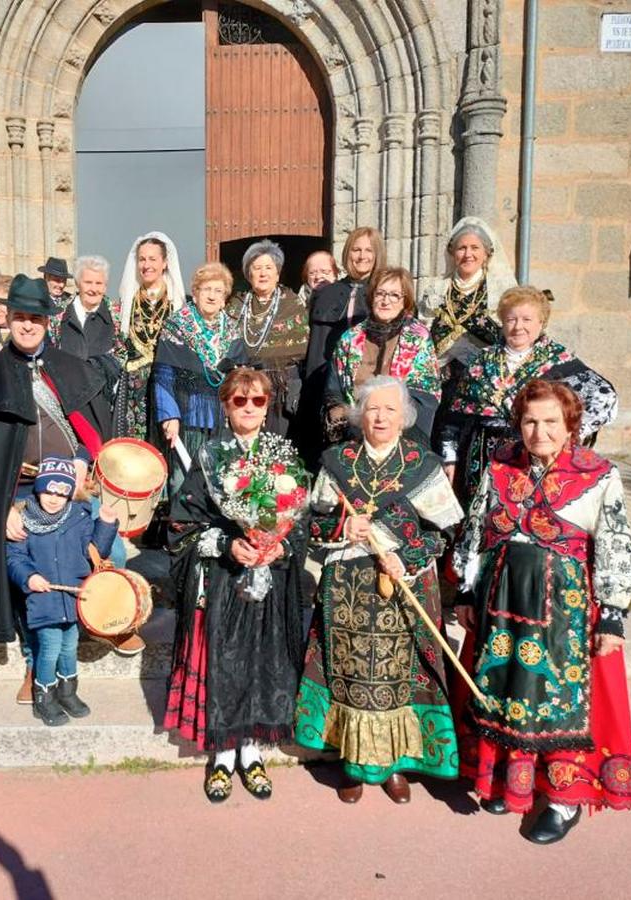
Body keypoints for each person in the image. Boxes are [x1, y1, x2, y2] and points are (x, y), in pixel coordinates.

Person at [452, 380, 631, 843]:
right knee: (505, 689)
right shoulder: (500, 467)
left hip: (565, 611)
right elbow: (476, 530)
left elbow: (615, 543)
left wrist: (614, 612)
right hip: (501, 602)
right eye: (530, 420)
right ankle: (506, 783)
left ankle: (563, 797)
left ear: (571, 424)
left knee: (556, 702)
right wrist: (465, 590)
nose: (539, 431)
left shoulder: (597, 473)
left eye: (551, 421)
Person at [0, 275, 132, 705]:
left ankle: (113, 620)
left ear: (46, 321)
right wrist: (3, 508)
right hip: (18, 491)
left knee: (117, 552)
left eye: (35, 317)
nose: (27, 325)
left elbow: (92, 428)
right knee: (28, 569)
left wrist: (80, 463)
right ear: (8, 320)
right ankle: (36, 662)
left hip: (72, 488)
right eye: (20, 317)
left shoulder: (68, 366)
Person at [295, 376, 463, 805]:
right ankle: (353, 763)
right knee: (351, 674)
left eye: (390, 409)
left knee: (395, 675)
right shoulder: (337, 461)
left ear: (405, 417)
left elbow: (444, 531)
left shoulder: (421, 464)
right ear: (359, 415)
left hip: (402, 585)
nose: (381, 417)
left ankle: (392, 765)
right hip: (347, 588)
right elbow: (312, 524)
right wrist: (341, 526)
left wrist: (405, 556)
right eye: (372, 409)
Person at [164, 368, 307, 802]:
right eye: (239, 401)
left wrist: (281, 547)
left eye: (257, 401)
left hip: (270, 581)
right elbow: (179, 526)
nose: (248, 408)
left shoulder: (285, 458)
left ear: (268, 407)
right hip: (224, 584)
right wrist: (229, 544)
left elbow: (302, 521)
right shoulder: (210, 457)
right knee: (227, 664)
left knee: (263, 661)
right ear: (225, 407)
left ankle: (251, 752)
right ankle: (223, 756)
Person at [439, 285, 618, 504]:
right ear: (502, 322)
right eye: (511, 319)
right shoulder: (482, 360)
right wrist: (450, 458)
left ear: (541, 323)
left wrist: (568, 433)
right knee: (484, 519)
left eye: (527, 320)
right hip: (481, 457)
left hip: (533, 453)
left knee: (529, 516)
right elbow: (455, 415)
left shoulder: (557, 359)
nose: (518, 327)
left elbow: (605, 397)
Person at [6, 457, 120, 726]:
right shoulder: (24, 518)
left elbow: (95, 553)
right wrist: (29, 577)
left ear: (70, 494)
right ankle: (44, 696)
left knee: (69, 647)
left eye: (61, 493)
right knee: (49, 648)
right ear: (38, 489)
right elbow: (14, 558)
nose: (54, 498)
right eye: (49, 491)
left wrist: (105, 524)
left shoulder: (78, 517)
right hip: (42, 599)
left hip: (72, 597)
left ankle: (68, 693)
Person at [152, 262, 247, 493]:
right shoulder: (177, 326)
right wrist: (169, 417)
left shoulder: (233, 330)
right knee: (183, 481)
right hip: (187, 417)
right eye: (206, 289)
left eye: (218, 291)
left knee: (223, 479)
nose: (212, 296)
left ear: (225, 298)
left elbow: (241, 375)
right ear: (195, 293)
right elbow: (163, 375)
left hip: (223, 419)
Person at [325, 266, 441, 445]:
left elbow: (424, 395)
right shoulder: (350, 338)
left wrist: (387, 423)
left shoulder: (418, 338)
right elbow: (334, 387)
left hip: (402, 435)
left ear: (406, 301)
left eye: (395, 295)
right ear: (372, 297)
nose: (386, 301)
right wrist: (340, 414)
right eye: (380, 294)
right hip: (354, 434)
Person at [300, 227, 384, 463]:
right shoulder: (327, 292)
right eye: (356, 249)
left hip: (367, 384)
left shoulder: (384, 292)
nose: (361, 256)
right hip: (324, 384)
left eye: (369, 250)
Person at [227, 239, 309, 438]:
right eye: (257, 268)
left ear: (277, 273)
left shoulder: (292, 303)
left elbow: (302, 348)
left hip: (283, 388)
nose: (263, 273)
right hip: (246, 388)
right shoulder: (237, 305)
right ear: (249, 274)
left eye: (268, 267)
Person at [419, 216, 514, 381]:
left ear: (486, 253)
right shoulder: (436, 290)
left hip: (487, 378)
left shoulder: (500, 290)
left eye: (475, 247)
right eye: (461, 248)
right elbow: (422, 335)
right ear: (453, 253)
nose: (467, 254)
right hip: (440, 379)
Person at [113, 231, 187, 440]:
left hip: (169, 386)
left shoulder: (178, 303)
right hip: (135, 389)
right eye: (142, 259)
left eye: (153, 259)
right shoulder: (127, 302)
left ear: (164, 263)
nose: (147, 265)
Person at [48, 255, 123, 389]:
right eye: (88, 282)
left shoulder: (117, 317)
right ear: (77, 284)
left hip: (103, 399)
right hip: (68, 396)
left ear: (105, 286)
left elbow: (123, 356)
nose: (93, 289)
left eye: (99, 283)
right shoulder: (57, 316)